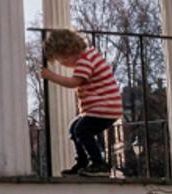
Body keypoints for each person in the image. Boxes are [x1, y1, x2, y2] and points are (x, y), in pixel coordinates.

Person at [40, 28, 124, 177]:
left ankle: (98, 163)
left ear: (67, 51)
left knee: (82, 130)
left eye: (60, 59)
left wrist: (51, 76)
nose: (62, 64)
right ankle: (82, 162)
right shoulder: (89, 56)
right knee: (74, 129)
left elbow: (74, 82)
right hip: (100, 108)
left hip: (104, 107)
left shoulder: (86, 60)